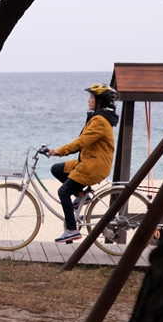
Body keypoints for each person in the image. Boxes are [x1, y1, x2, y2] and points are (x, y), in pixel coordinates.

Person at [45, 83, 119, 244]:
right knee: (57, 169)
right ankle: (80, 195)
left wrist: (59, 151)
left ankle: (71, 230)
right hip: (88, 161)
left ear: (100, 100)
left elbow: (81, 142)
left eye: (91, 97)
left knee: (63, 192)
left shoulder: (100, 120)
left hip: (94, 165)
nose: (88, 100)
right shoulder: (99, 117)